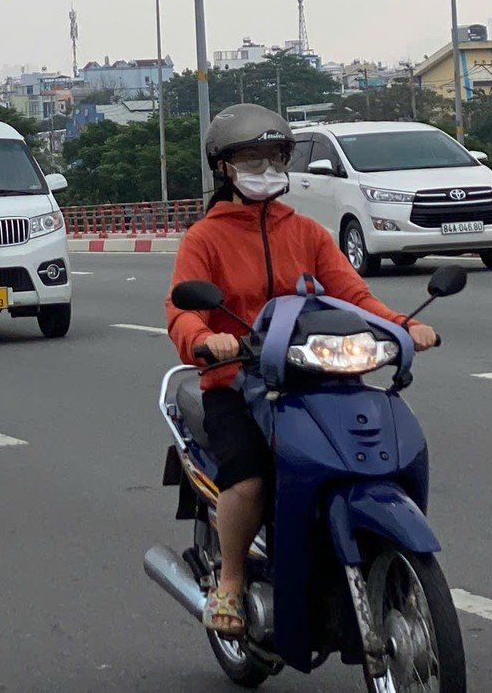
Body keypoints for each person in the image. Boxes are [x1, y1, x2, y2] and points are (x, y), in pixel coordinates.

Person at [165, 104, 438, 639]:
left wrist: (403, 326)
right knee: (248, 478)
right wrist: (205, 340)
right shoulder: (205, 238)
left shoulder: (308, 233)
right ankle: (232, 584)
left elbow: (353, 296)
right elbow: (181, 311)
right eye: (250, 157)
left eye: (273, 156)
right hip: (236, 383)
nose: (264, 167)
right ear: (224, 167)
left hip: (311, 375)